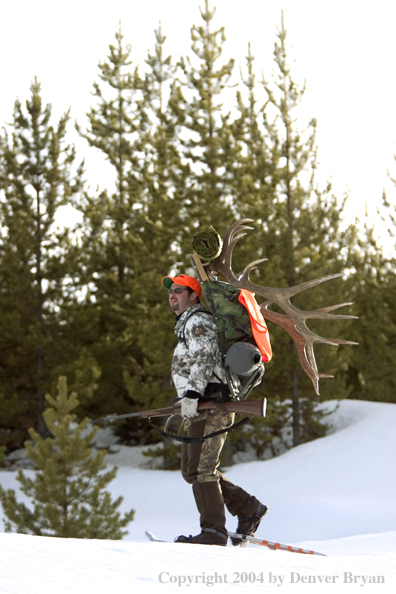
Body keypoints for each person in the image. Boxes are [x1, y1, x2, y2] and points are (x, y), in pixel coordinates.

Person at [162, 273, 268, 546]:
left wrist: (193, 393)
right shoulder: (187, 322)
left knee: (202, 468)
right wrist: (185, 400)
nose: (172, 294)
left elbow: (206, 356)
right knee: (191, 470)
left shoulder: (197, 319)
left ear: (193, 295)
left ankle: (213, 532)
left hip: (211, 404)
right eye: (170, 291)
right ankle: (247, 508)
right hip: (200, 406)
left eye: (178, 290)